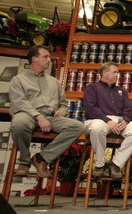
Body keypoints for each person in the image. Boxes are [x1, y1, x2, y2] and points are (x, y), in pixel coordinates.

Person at [9, 45, 84, 178]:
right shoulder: (18, 80)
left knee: (77, 126)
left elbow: (63, 104)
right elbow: (19, 102)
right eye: (45, 57)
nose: (49, 59)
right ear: (34, 59)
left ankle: (41, 158)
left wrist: (62, 110)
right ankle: (24, 161)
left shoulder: (54, 82)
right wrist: (38, 116)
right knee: (18, 123)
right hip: (28, 115)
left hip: (50, 117)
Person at [83, 62, 132, 179]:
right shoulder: (92, 87)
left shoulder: (122, 91)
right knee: (97, 128)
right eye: (115, 72)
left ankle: (116, 164)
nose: (118, 74)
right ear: (105, 73)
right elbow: (91, 108)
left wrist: (125, 121)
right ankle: (100, 164)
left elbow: (128, 109)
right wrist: (108, 121)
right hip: (98, 119)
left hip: (118, 121)